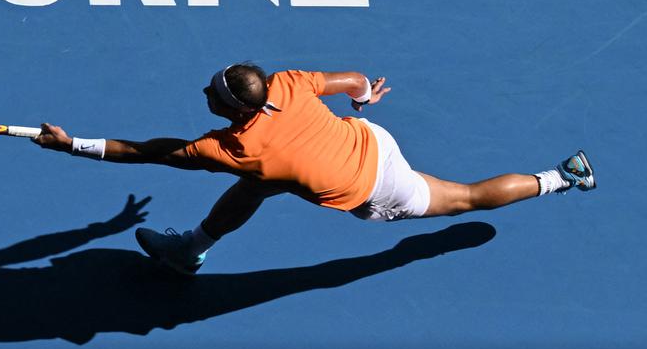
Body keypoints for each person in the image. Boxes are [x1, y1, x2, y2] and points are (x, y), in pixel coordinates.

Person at [32, 63, 595, 275]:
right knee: (259, 184)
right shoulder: (289, 85)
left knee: (467, 197)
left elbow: (144, 151)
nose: (204, 91)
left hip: (376, 185)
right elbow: (351, 79)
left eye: (213, 92)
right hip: (368, 136)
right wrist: (365, 95)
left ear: (234, 108)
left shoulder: (231, 149)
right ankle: (191, 249)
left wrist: (71, 145)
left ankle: (561, 177)